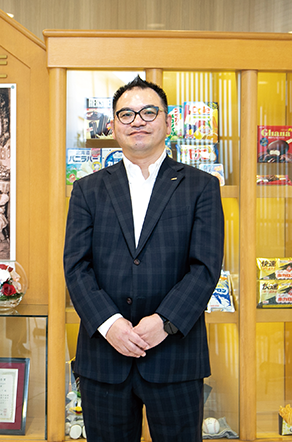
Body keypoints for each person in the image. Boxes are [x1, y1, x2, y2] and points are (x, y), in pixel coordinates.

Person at [63, 76, 224, 442]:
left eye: (148, 112)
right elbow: (76, 266)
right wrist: (110, 324)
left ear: (167, 122)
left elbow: (205, 267)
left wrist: (164, 322)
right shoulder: (87, 189)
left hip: (176, 356)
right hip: (104, 358)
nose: (138, 121)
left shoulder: (201, 186)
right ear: (114, 126)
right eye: (126, 114)